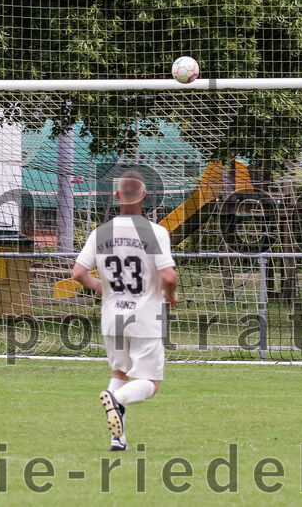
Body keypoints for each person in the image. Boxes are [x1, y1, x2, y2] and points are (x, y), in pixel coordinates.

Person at [72, 170, 178, 451]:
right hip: (145, 318)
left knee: (120, 374)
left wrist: (97, 286)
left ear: (117, 195)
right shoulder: (155, 232)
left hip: (113, 317)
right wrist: (170, 295)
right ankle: (116, 400)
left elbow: (78, 272)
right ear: (145, 196)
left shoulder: (101, 233)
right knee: (150, 382)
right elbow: (169, 276)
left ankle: (117, 440)